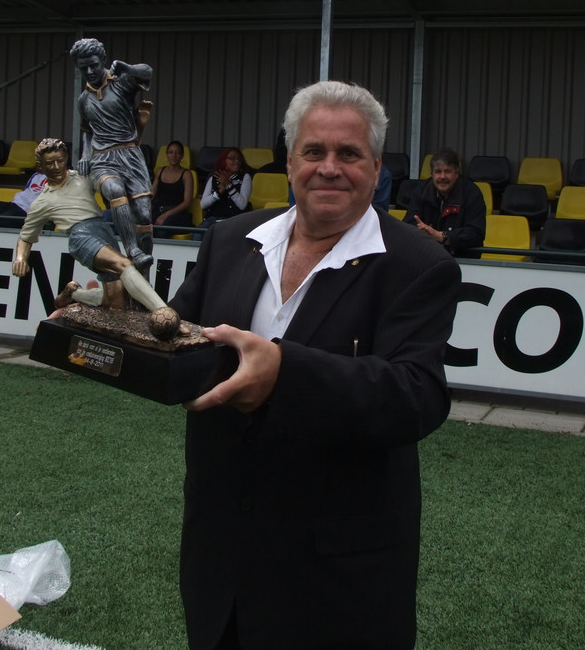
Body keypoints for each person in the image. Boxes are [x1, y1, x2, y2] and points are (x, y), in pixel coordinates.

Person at [169, 81, 460, 650]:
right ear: (289, 162)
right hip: (220, 560)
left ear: (376, 168)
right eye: (314, 151)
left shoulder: (418, 265)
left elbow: (416, 396)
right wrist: (107, 318)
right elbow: (178, 334)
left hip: (338, 579)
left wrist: (283, 375)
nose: (329, 168)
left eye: (349, 154)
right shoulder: (230, 239)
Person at [11, 138, 167, 313]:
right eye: (49, 163)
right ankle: (163, 311)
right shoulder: (42, 201)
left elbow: (107, 182)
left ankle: (75, 294)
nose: (56, 167)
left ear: (66, 158)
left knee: (116, 303)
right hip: (80, 235)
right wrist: (20, 258)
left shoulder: (82, 176)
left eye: (60, 161)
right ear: (40, 165)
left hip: (103, 231)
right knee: (124, 264)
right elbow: (26, 237)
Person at [70, 38, 154, 270]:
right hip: (103, 158)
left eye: (93, 65)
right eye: (83, 68)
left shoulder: (121, 83)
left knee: (144, 214)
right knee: (114, 190)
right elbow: (87, 132)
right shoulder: (83, 100)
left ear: (103, 61)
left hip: (130, 154)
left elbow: (147, 72)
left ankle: (144, 273)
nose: (89, 71)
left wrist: (126, 67)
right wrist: (86, 155)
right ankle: (132, 249)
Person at [405, 148, 487, 258]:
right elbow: (408, 225)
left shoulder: (472, 193)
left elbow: (475, 234)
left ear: (457, 174)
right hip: (427, 257)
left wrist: (443, 237)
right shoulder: (421, 191)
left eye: (448, 171)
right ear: (432, 174)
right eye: (438, 172)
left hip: (462, 260)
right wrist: (423, 232)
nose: (442, 177)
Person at [199, 147, 252, 231]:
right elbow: (203, 204)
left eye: (239, 159)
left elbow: (242, 205)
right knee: (197, 236)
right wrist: (218, 193)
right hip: (212, 219)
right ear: (223, 161)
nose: (237, 161)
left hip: (234, 219)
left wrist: (229, 185)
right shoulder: (213, 178)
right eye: (232, 158)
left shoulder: (245, 177)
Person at [151, 140, 195, 233]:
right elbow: (151, 195)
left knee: (162, 230)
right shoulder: (160, 171)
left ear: (182, 156)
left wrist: (166, 215)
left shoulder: (186, 174)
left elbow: (187, 202)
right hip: (158, 210)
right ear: (166, 155)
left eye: (177, 153)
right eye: (170, 152)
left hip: (177, 214)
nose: (174, 156)